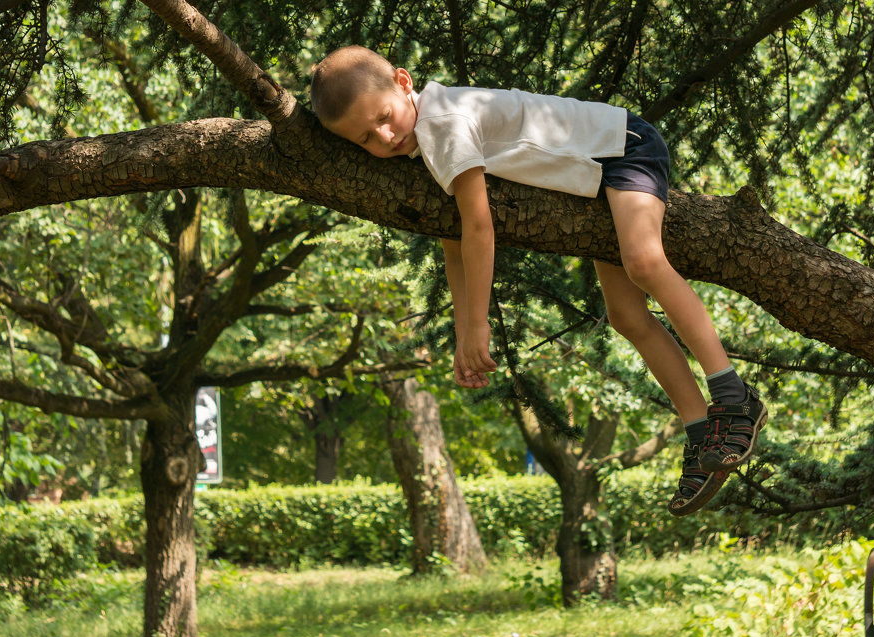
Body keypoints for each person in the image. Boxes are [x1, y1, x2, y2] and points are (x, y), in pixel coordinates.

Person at [309, 45, 767, 515]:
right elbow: (451, 241)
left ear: (404, 83)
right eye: (366, 138)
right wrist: (463, 334)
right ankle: (700, 434)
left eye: (384, 117)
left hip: (622, 148)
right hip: (590, 187)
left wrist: (478, 326)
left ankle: (732, 395)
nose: (384, 137)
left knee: (645, 263)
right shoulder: (426, 141)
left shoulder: (442, 122)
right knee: (627, 315)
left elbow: (478, 228)